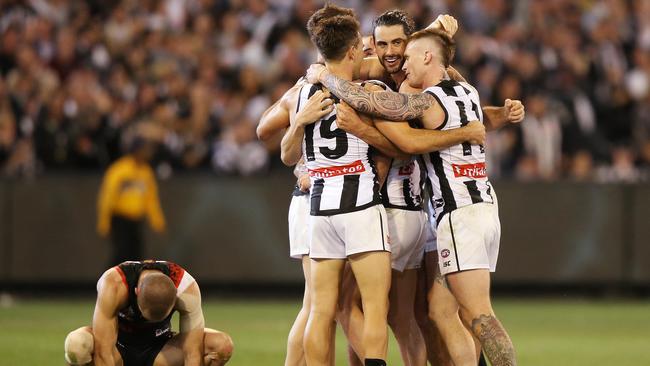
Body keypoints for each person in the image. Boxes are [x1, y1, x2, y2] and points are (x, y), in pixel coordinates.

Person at [307, 27, 519, 366]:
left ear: (427, 57)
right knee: (441, 310)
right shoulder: (467, 89)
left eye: (408, 57)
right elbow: (479, 116)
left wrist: (326, 76)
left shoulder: (427, 100)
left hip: (459, 211)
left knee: (479, 315)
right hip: (481, 205)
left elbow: (384, 117)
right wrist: (498, 117)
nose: (401, 64)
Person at [63, 260, 233, 366]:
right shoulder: (113, 285)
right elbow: (103, 351)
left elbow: (192, 353)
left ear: (175, 297)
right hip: (117, 350)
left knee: (222, 345)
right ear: (136, 291)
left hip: (161, 351)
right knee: (77, 344)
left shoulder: (186, 289)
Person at [97, 137, 166, 266]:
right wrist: (104, 221)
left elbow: (151, 199)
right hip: (119, 219)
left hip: (136, 220)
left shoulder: (146, 172)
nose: (147, 153)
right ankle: (107, 283)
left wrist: (157, 220)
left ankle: (131, 285)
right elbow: (107, 197)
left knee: (136, 255)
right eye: (144, 149)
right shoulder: (119, 170)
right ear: (136, 151)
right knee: (121, 254)